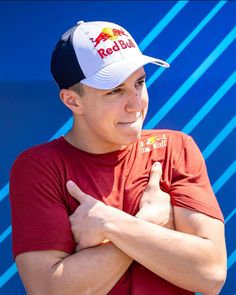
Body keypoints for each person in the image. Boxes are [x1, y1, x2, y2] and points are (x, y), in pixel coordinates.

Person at [10, 20, 226, 295]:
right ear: (72, 101)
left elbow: (211, 274)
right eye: (114, 90)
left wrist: (110, 225)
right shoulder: (40, 167)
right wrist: (150, 224)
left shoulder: (175, 148)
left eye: (139, 82)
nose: (136, 103)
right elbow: (50, 290)